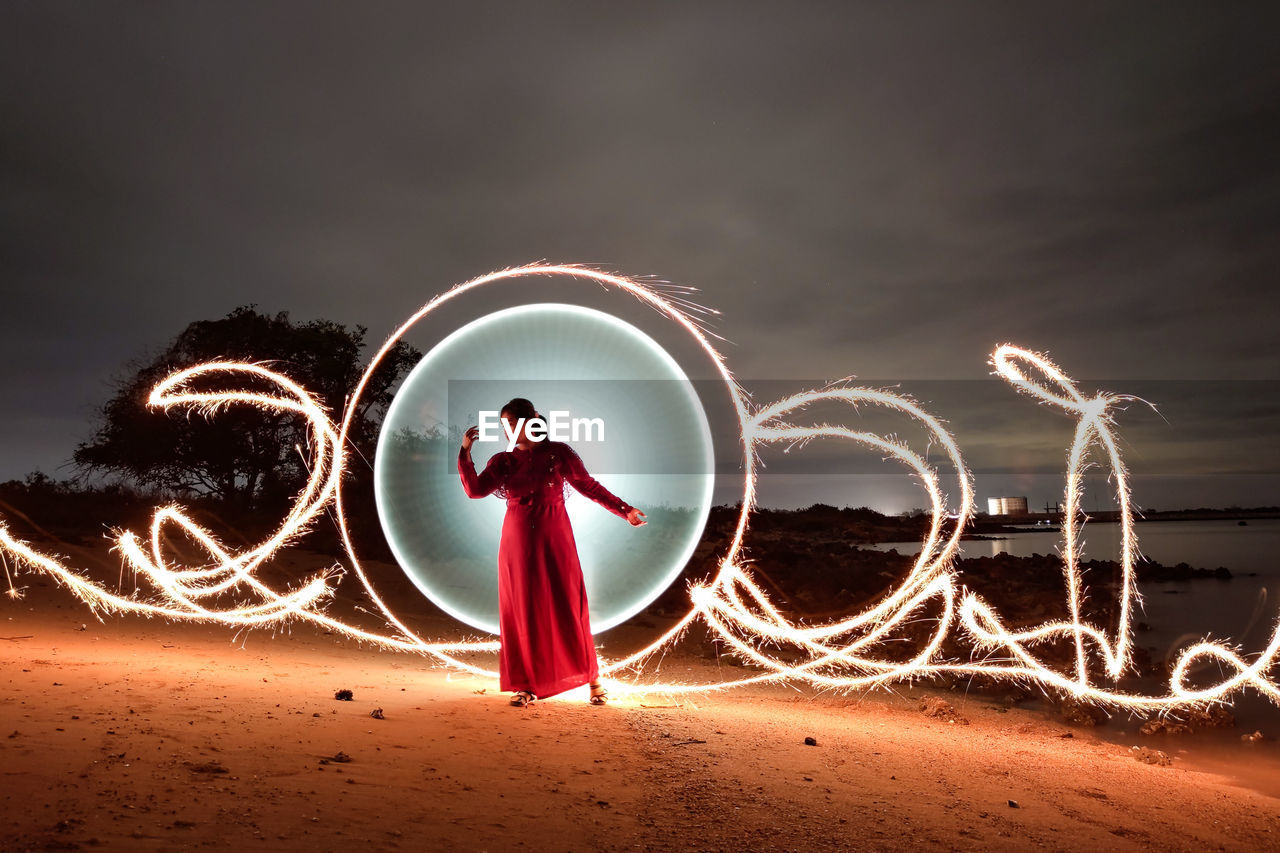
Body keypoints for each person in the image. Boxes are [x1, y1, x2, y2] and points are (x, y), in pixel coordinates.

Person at [458, 397, 646, 707]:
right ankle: (526, 685)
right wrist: (465, 452)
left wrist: (624, 510)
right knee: (523, 608)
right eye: (504, 425)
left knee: (567, 603)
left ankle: (592, 679)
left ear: (531, 421)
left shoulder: (559, 454)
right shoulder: (503, 461)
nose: (508, 431)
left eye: (512, 424)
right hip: (516, 540)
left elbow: (589, 486)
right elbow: (475, 490)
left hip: (554, 534)